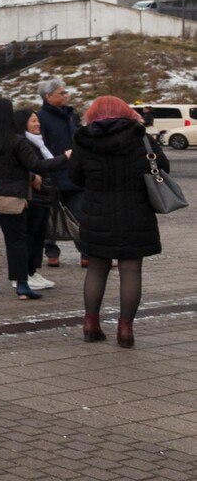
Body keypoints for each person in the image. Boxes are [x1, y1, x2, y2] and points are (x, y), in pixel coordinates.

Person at [70, 95, 166, 348]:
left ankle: (91, 325)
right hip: (136, 214)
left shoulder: (83, 140)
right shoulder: (141, 138)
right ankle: (125, 330)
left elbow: (75, 177)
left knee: (96, 268)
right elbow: (162, 168)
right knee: (131, 270)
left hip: (96, 213)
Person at [0, 98, 67, 300]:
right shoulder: (16, 140)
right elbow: (36, 165)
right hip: (10, 200)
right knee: (17, 242)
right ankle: (22, 285)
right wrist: (65, 158)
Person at [37, 78, 86, 268]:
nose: (66, 95)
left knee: (80, 215)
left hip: (74, 175)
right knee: (50, 216)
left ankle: (86, 253)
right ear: (48, 97)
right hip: (53, 174)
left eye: (66, 92)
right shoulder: (40, 118)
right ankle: (51, 253)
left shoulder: (71, 116)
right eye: (62, 93)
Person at [15, 108, 57, 291]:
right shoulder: (23, 143)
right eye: (33, 121)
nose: (37, 124)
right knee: (29, 235)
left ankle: (32, 271)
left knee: (39, 236)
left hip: (44, 195)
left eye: (37, 120)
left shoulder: (38, 142)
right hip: (32, 197)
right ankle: (22, 274)